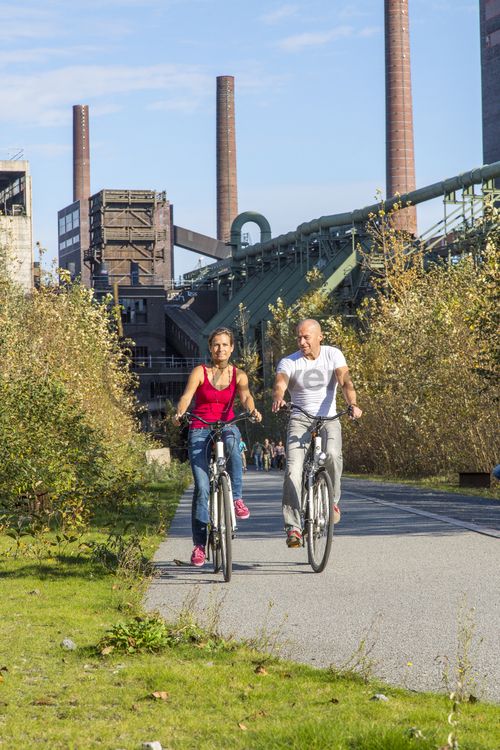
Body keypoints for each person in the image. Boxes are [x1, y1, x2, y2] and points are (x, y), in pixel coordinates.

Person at [174, 327, 262, 566]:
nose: (220, 349)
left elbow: (246, 397)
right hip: (200, 427)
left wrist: (252, 410)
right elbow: (187, 396)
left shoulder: (239, 375)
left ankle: (236, 499)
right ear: (210, 348)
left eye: (225, 345)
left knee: (233, 444)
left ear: (232, 348)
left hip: (227, 424)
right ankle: (199, 545)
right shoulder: (200, 372)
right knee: (202, 487)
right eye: (216, 344)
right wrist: (180, 412)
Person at [272, 319, 362, 548]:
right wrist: (278, 397)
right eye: (299, 337)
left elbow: (345, 380)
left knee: (332, 454)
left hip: (329, 418)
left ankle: (332, 502)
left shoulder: (333, 355)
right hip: (300, 420)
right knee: (293, 469)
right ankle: (293, 527)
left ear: (319, 337)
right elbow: (280, 382)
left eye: (306, 337)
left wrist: (352, 403)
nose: (302, 342)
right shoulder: (289, 361)